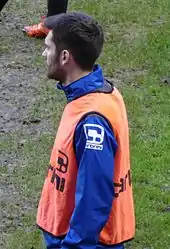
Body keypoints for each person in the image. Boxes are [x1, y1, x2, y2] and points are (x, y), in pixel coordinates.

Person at [37, 12, 135, 249]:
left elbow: (94, 199)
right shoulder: (100, 93)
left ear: (64, 56)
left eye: (47, 47)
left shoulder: (92, 120)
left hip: (86, 242)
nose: (43, 54)